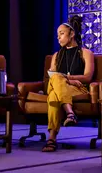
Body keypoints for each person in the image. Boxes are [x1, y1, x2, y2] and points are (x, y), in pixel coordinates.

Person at [41, 15, 95, 152]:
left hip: (78, 89)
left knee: (53, 95)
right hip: (60, 86)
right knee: (56, 79)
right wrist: (66, 79)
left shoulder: (85, 53)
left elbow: (88, 77)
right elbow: (52, 77)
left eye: (62, 34)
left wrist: (67, 79)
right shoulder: (56, 55)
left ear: (72, 34)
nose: (58, 37)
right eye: (57, 34)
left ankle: (51, 138)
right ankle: (69, 112)